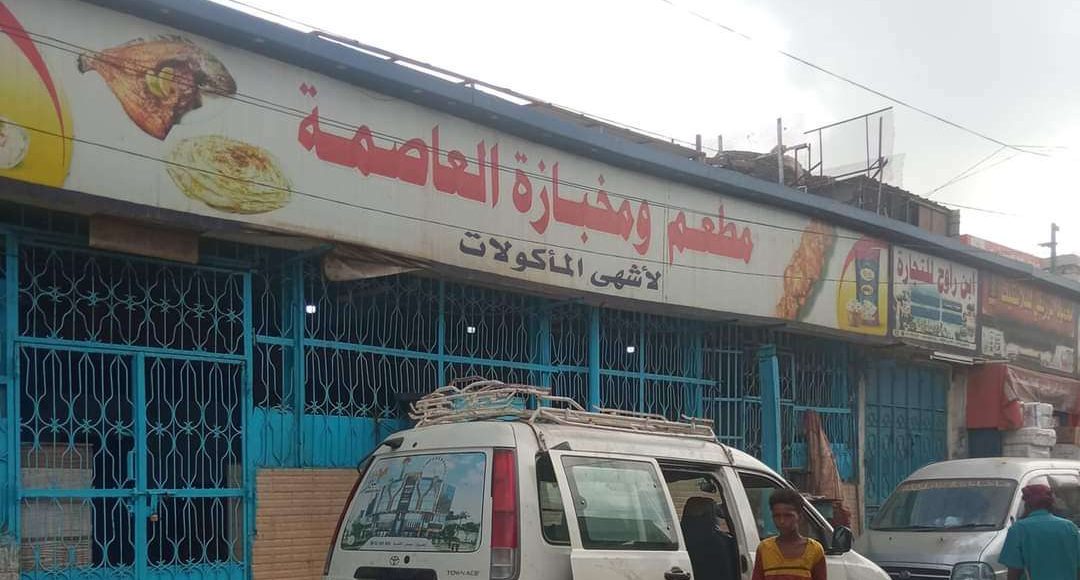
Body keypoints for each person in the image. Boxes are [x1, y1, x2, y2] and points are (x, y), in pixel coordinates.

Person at [999, 484, 1080, 580]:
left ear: (1027, 504)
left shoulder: (1018, 529)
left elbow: (1014, 570)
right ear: (1050, 504)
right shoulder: (1069, 527)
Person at [752, 488, 826, 580]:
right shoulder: (764, 549)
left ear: (800, 517)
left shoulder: (815, 550)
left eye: (788, 516)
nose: (782, 521)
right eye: (777, 516)